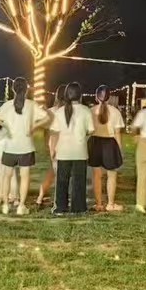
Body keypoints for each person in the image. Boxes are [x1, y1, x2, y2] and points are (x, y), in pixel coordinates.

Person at [0, 78, 47, 215]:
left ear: (13, 89)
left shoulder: (8, 105)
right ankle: (21, 206)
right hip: (26, 146)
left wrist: (6, 126)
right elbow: (46, 117)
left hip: (10, 146)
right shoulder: (31, 105)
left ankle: (5, 205)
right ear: (27, 89)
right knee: (25, 176)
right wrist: (34, 127)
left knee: (7, 176)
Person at [50, 82, 94, 215]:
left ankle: (60, 208)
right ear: (80, 95)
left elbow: (54, 132)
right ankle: (78, 208)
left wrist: (53, 149)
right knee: (79, 181)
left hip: (63, 150)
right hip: (80, 150)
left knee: (62, 181)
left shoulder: (59, 112)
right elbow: (91, 130)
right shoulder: (86, 110)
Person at [89, 86, 125, 212]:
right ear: (109, 98)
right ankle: (110, 204)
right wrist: (119, 150)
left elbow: (89, 130)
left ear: (96, 97)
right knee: (112, 175)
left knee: (96, 175)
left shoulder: (91, 111)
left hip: (95, 142)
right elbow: (117, 133)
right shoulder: (115, 112)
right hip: (110, 143)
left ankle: (98, 204)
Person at [34, 84, 65, 209]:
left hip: (52, 145)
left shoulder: (51, 111)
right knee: (62, 174)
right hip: (65, 145)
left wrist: (47, 145)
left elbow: (45, 130)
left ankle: (40, 198)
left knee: (52, 172)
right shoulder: (69, 112)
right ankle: (60, 200)